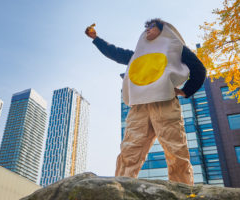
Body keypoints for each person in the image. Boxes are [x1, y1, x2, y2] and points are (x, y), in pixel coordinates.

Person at [85, 19, 206, 185]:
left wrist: (186, 91)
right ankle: (120, 188)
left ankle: (183, 189)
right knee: (129, 150)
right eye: (146, 27)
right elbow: (116, 53)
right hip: (139, 107)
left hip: (164, 103)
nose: (148, 29)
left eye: (152, 26)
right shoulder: (138, 54)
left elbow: (199, 69)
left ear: (163, 29)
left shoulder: (175, 47)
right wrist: (96, 39)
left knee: (175, 149)